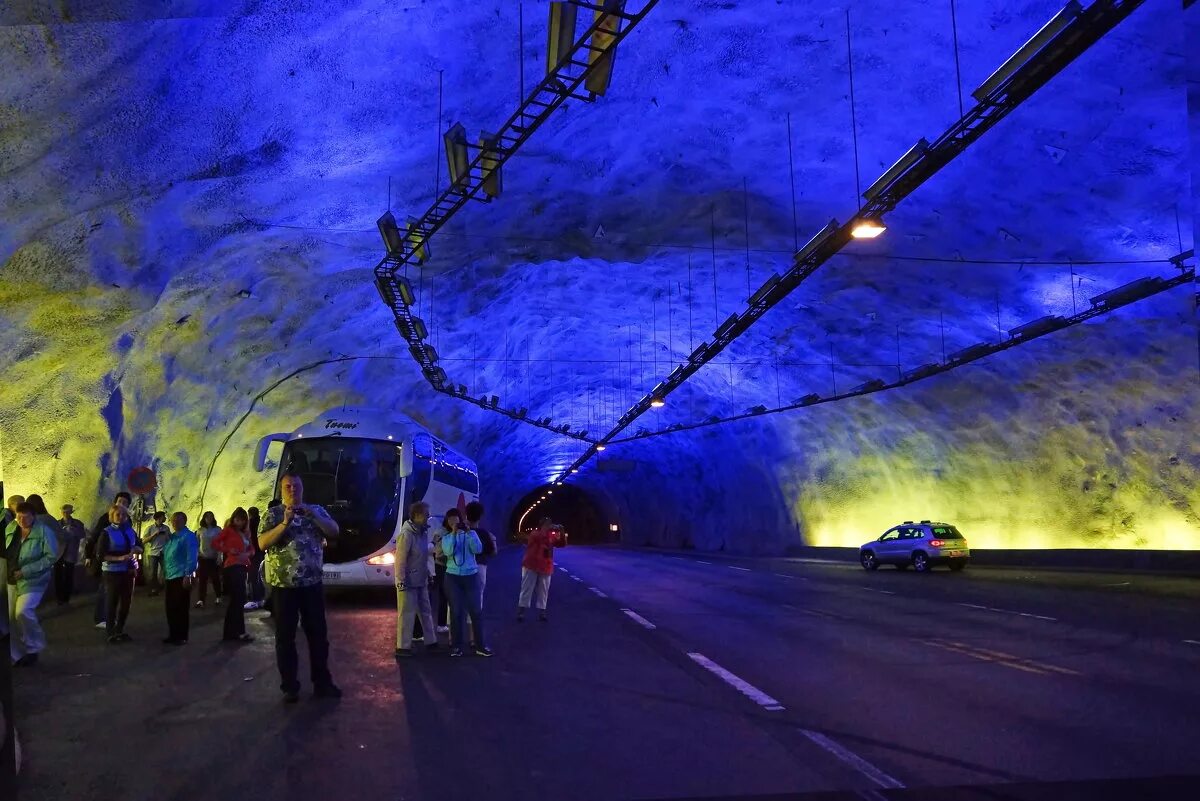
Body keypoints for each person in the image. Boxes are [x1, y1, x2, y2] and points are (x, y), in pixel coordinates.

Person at [258, 474, 341, 702]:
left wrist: (313, 515)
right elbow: (262, 543)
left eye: (296, 485)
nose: (292, 489)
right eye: (287, 486)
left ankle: (322, 683)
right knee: (285, 638)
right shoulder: (273, 514)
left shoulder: (315, 510)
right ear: (281, 490)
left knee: (318, 636)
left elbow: (333, 531)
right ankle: (290, 686)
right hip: (283, 587)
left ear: (302, 488)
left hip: (311, 585)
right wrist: (285, 523)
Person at [5, 502, 58, 666]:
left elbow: (51, 557)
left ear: (33, 516)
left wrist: (26, 570)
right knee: (8, 618)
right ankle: (15, 654)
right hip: (10, 577)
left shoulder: (43, 532)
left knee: (23, 611)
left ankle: (34, 646)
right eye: (18, 516)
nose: (20, 520)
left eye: (24, 516)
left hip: (33, 579)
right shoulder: (11, 529)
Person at [440, 508, 490, 658]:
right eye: (450, 520)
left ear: (461, 520)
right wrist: (454, 534)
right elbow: (448, 552)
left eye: (456, 520)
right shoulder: (447, 537)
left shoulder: (471, 534)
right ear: (448, 523)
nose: (453, 523)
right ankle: (456, 647)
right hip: (452, 577)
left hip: (471, 576)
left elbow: (478, 549)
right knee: (456, 613)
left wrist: (469, 533)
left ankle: (480, 646)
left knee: (476, 610)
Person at [394, 502, 438, 658]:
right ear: (417, 515)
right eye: (426, 514)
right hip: (409, 581)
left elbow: (423, 557)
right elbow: (400, 560)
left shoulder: (421, 533)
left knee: (425, 610)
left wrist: (428, 574)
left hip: (420, 579)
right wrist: (401, 580)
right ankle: (403, 646)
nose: (428, 517)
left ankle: (431, 641)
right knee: (406, 613)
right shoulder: (406, 535)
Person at [85, 492, 131, 629]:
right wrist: (88, 555)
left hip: (121, 565)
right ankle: (101, 618)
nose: (121, 505)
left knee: (114, 593)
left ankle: (110, 619)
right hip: (107, 561)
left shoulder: (127, 520)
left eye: (125, 503)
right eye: (119, 501)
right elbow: (94, 537)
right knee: (104, 590)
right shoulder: (107, 519)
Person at [97, 503, 142, 643]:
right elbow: (100, 555)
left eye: (124, 515)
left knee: (126, 602)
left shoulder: (130, 531)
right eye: (118, 514)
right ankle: (111, 631)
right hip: (112, 572)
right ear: (112, 516)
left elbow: (139, 545)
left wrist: (137, 550)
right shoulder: (106, 532)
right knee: (112, 601)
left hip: (129, 571)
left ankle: (120, 629)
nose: (121, 517)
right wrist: (119, 558)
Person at [212, 508, 254, 643]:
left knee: (238, 601)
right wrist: (228, 549)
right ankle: (236, 632)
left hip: (242, 566)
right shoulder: (228, 531)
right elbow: (215, 543)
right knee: (237, 600)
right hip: (233, 566)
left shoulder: (245, 533)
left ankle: (233, 632)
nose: (239, 522)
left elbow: (252, 548)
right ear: (233, 519)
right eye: (237, 519)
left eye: (242, 520)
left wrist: (248, 553)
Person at [518, 518, 568, 622]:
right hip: (531, 564)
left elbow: (562, 544)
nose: (549, 526)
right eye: (546, 524)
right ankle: (521, 612)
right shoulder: (535, 534)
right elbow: (541, 538)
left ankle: (542, 612)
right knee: (526, 589)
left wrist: (561, 531)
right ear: (541, 525)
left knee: (544, 590)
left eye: (549, 524)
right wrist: (549, 531)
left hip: (545, 566)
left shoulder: (551, 535)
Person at [162, 512, 199, 645]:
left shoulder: (188, 537)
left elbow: (192, 556)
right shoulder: (172, 537)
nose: (175, 523)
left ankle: (181, 635)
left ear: (184, 521)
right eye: (173, 521)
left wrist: (188, 574)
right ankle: (173, 634)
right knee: (170, 607)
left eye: (178, 520)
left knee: (181, 607)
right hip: (170, 575)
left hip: (181, 575)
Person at [465, 501, 497, 604]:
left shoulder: (459, 531)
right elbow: (493, 553)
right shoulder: (484, 534)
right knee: (477, 597)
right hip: (479, 567)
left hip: (461, 567)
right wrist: (494, 541)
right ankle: (473, 619)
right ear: (480, 516)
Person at [54, 504, 86, 605]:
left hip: (71, 552)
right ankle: (59, 597)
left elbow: (82, 536)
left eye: (68, 512)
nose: (66, 514)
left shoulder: (78, 524)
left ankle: (66, 597)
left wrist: (73, 531)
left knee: (69, 575)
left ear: (72, 512)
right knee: (58, 575)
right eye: (64, 512)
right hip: (59, 552)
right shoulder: (57, 524)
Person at [195, 511, 223, 608]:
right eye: (207, 517)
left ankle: (218, 596)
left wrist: (220, 556)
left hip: (213, 557)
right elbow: (197, 544)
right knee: (202, 579)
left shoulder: (218, 530)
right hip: (203, 557)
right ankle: (201, 599)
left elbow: (221, 544)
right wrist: (197, 554)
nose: (209, 519)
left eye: (211, 517)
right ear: (204, 519)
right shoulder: (200, 531)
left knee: (215, 578)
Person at [142, 511, 170, 596]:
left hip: (164, 552)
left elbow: (170, 539)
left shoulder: (166, 528)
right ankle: (153, 589)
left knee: (166, 571)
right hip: (153, 553)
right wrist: (154, 535)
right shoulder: (150, 528)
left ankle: (167, 589)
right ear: (158, 518)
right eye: (163, 517)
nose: (165, 518)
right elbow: (144, 541)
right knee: (152, 573)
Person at [432, 515, 452, 634]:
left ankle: (445, 623)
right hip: (442, 566)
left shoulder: (442, 532)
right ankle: (442, 623)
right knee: (444, 595)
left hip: (446, 566)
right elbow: (438, 552)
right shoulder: (441, 533)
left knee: (446, 596)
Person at [245, 506, 266, 611]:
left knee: (253, 576)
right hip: (260, 552)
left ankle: (255, 599)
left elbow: (248, 538)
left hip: (252, 553)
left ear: (249, 514)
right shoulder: (262, 522)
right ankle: (261, 597)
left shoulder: (250, 523)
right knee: (259, 575)